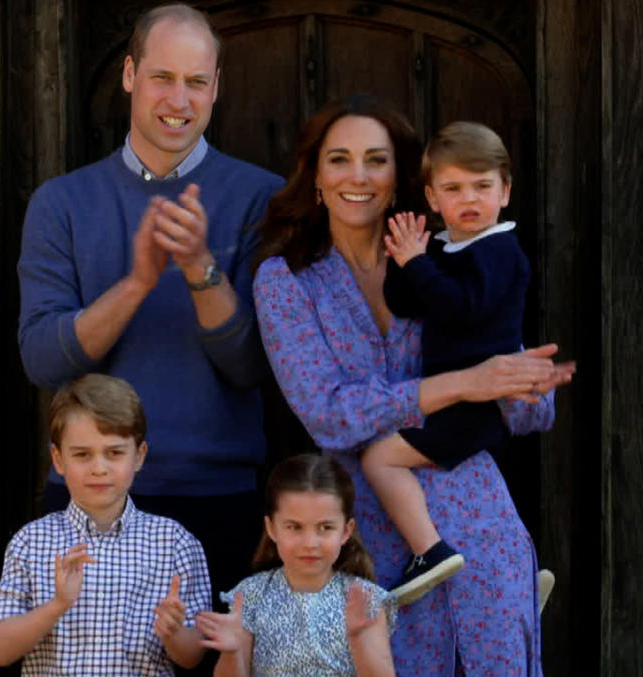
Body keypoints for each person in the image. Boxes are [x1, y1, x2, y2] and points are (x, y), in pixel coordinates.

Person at [252, 94, 573, 676]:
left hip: (479, 519)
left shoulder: (446, 256)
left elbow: (526, 406)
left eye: (376, 160)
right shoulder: (286, 281)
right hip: (364, 533)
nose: (358, 176)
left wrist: (525, 383)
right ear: (316, 177)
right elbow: (329, 414)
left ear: (399, 178)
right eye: (339, 160)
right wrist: (463, 384)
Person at [15, 2, 284, 648]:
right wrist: (136, 281)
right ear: (130, 75)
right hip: (88, 507)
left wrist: (198, 268)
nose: (179, 100)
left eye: (197, 82)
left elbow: (255, 366)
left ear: (217, 87)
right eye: (163, 77)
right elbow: (42, 361)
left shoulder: (262, 199)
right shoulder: (62, 202)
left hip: (220, 502)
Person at [362, 121, 574, 605]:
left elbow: (462, 308)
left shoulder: (500, 251)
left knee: (380, 458)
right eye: (454, 188)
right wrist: (404, 258)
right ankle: (515, 580)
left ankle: (429, 552)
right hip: (455, 396)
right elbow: (406, 303)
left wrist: (418, 263)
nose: (470, 199)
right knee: (473, 494)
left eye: (482, 186)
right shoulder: (445, 247)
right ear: (433, 199)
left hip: (475, 403)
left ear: (506, 191)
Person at [0, 374, 211, 675]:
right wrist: (57, 605)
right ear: (59, 459)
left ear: (139, 456)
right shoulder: (31, 542)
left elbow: (194, 656)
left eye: (114, 453)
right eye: (82, 454)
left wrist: (174, 633)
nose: (99, 468)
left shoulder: (174, 543)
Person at [197, 454, 396, 677]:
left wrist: (359, 641)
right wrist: (232, 653)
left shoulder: (364, 599)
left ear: (346, 531)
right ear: (271, 528)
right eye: (294, 527)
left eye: (325, 527)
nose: (310, 543)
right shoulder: (250, 596)